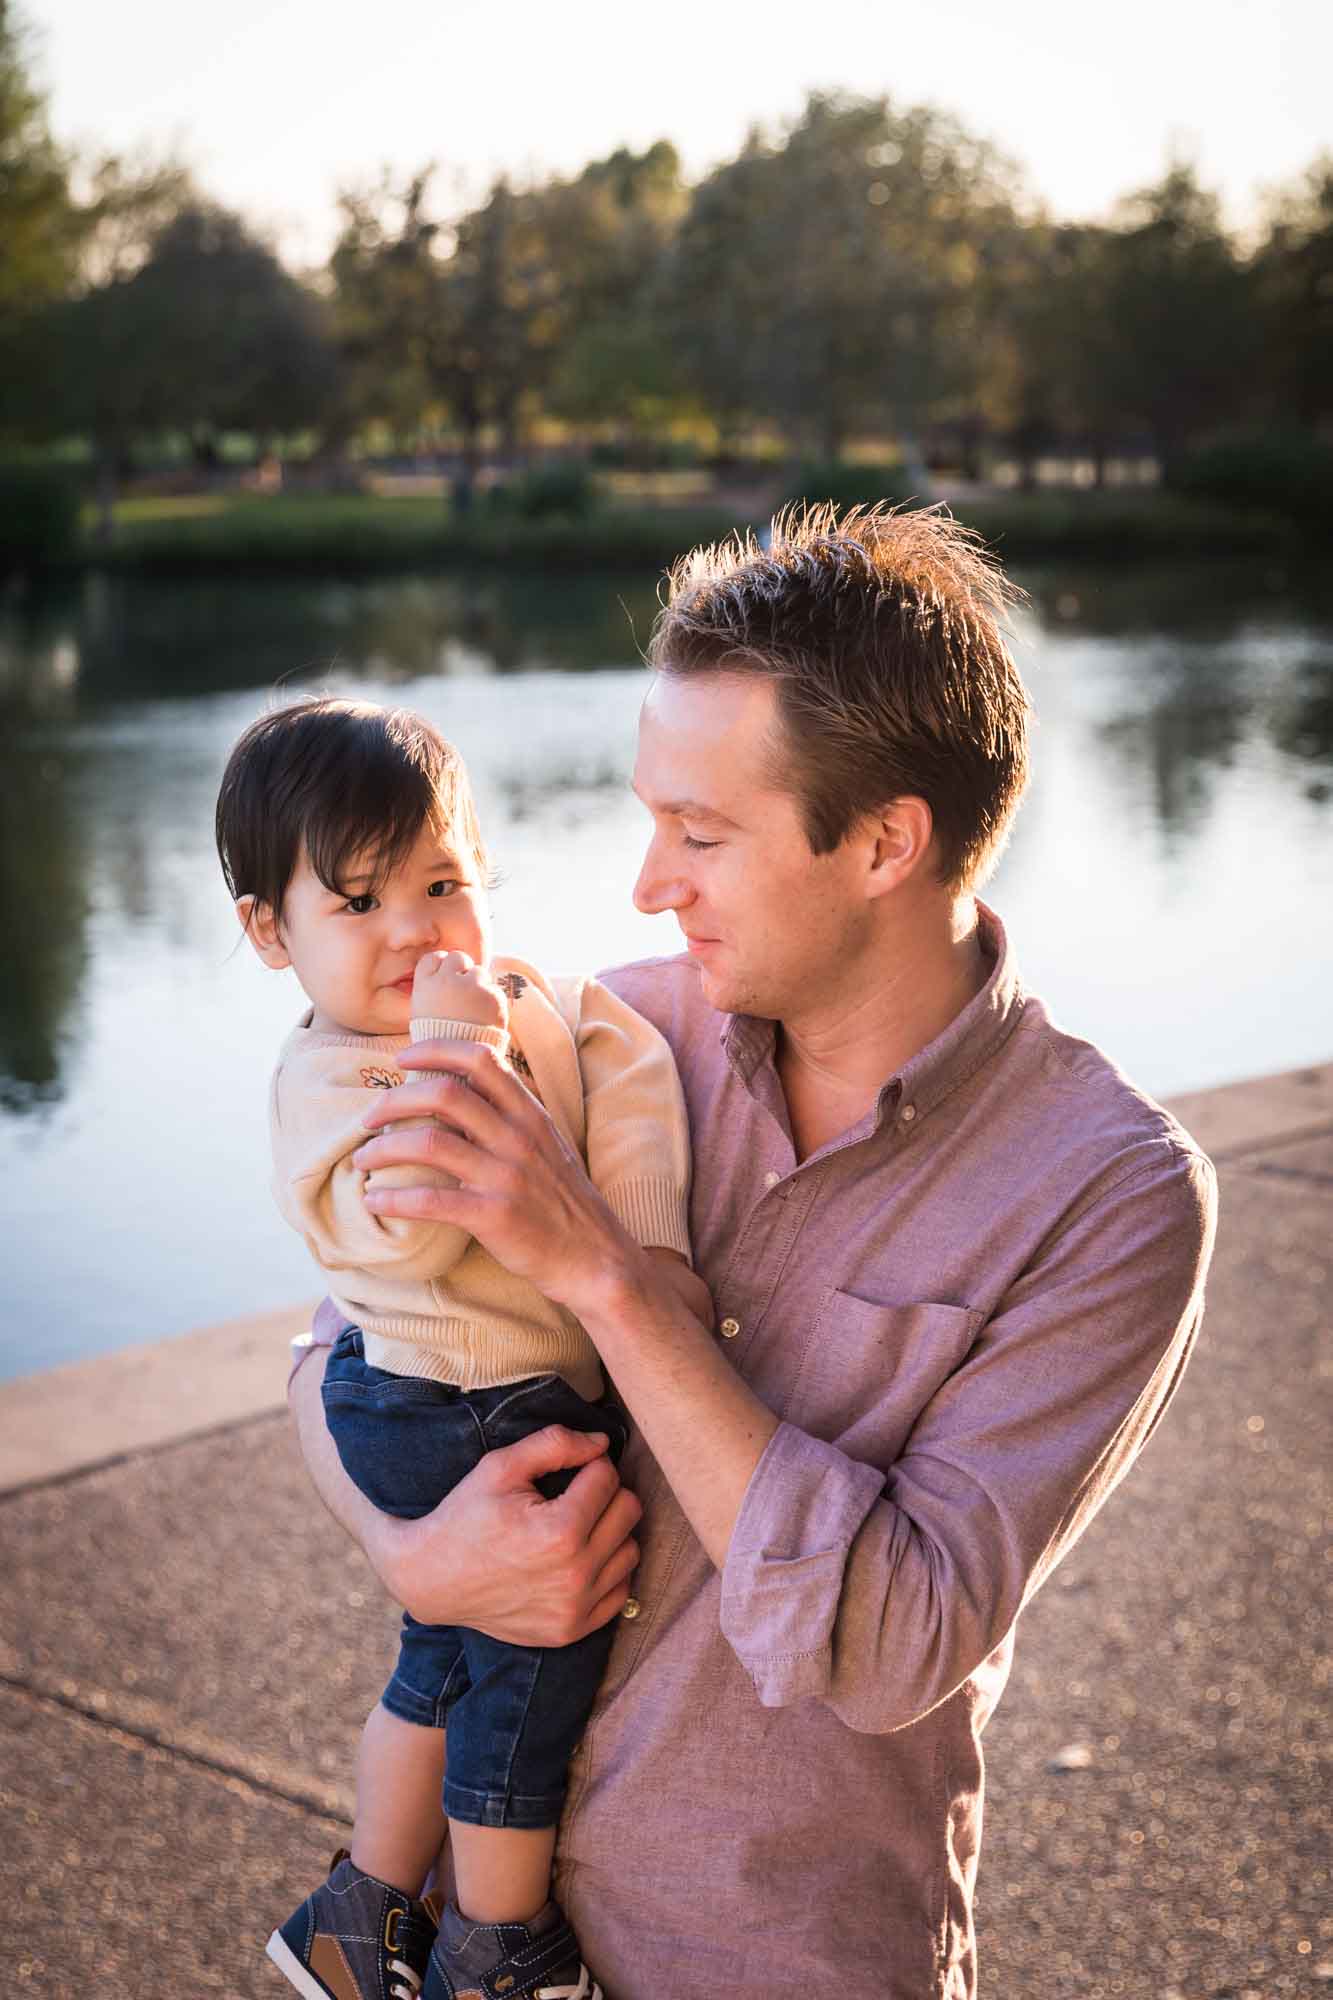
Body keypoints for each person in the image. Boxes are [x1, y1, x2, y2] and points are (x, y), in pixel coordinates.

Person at [287, 506, 1219, 1999]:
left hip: (772, 1958)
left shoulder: (1105, 1195)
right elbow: (333, 1347)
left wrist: (601, 1271)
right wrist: (413, 1552)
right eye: (654, 819)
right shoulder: (609, 1031)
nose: (649, 881)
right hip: (469, 1944)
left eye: (700, 834)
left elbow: (893, 1640)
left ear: (883, 842)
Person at [216, 698, 698, 2000]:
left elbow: (634, 1065)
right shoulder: (326, 1081)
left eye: (442, 882)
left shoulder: (530, 998)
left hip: (514, 1392)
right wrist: (453, 1045)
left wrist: (648, 1257)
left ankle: (359, 1911)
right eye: (358, 903)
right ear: (273, 934)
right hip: (435, 1403)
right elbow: (419, 1229)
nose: (414, 931)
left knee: (442, 1654)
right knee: (535, 1661)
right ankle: (494, 1944)